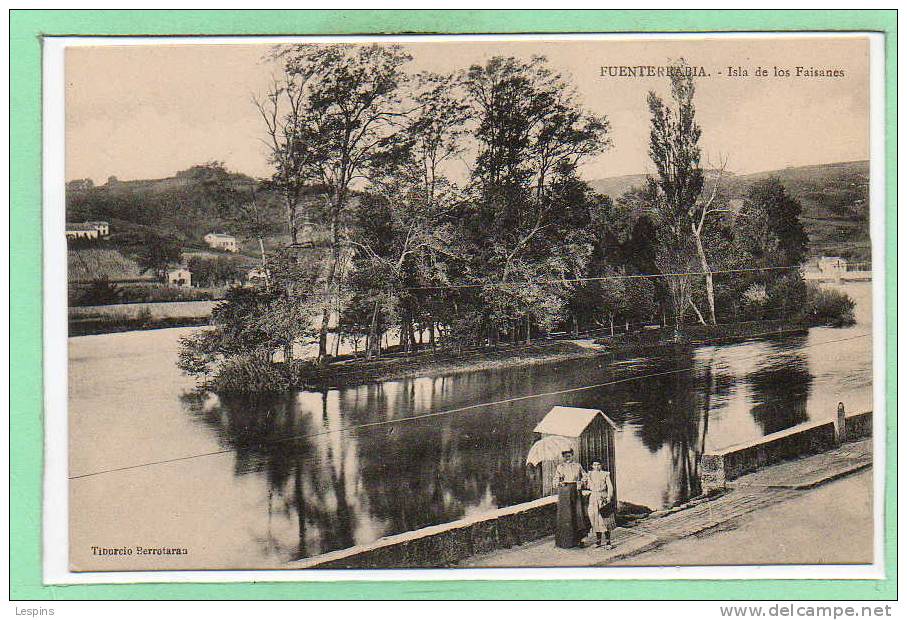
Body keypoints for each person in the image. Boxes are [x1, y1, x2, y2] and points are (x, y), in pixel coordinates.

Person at [554, 449, 588, 548]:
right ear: (563, 457)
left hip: (576, 491)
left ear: (572, 455)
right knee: (566, 515)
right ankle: (565, 541)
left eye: (569, 455)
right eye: (565, 456)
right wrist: (559, 482)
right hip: (564, 492)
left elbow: (585, 476)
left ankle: (579, 540)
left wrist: (580, 482)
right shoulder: (560, 467)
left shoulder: (578, 466)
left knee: (578, 514)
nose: (567, 457)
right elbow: (556, 479)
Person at [584, 461, 617, 548]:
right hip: (593, 497)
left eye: (598, 464)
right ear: (592, 466)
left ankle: (608, 542)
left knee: (605, 519)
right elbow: (587, 486)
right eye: (594, 464)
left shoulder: (605, 474)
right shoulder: (589, 474)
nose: (596, 466)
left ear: (601, 465)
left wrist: (609, 497)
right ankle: (598, 541)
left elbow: (610, 486)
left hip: (603, 496)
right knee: (594, 518)